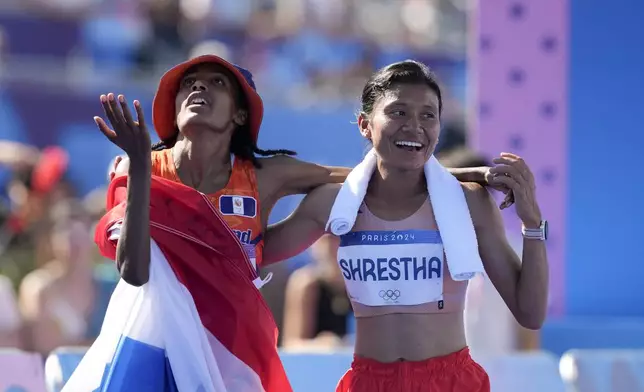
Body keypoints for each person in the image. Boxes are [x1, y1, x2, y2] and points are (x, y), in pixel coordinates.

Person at [262, 60, 549, 391]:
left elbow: (530, 314)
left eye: (428, 115)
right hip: (368, 382)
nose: (414, 125)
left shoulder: (469, 202)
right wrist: (283, 179)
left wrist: (532, 225)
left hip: (450, 382)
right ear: (364, 125)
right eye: (398, 112)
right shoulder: (333, 202)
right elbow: (253, 255)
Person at [282, 233, 352, 350]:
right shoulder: (305, 285)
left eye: (340, 238)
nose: (334, 245)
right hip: (317, 365)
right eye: (328, 239)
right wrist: (323, 345)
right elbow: (291, 345)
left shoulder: (363, 287)